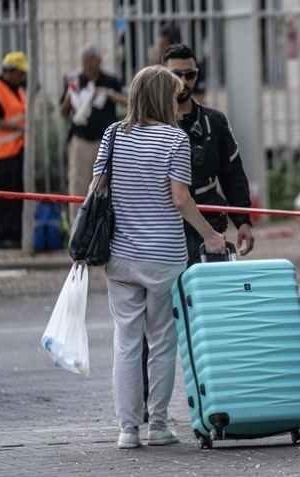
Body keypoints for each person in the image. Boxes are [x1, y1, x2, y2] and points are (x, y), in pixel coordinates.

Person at [95, 65, 225, 449]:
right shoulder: (174, 139)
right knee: (162, 341)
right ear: (159, 97)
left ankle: (127, 430)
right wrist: (211, 235)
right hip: (164, 256)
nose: (177, 98)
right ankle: (160, 425)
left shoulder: (113, 134)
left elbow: (96, 187)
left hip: (120, 255)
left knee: (126, 342)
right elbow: (181, 198)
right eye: (172, 93)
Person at [163, 43, 254, 264]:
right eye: (176, 75)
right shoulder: (149, 125)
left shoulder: (214, 122)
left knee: (209, 296)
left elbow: (233, 174)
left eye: (190, 74)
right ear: (163, 76)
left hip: (208, 227)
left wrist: (243, 221)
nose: (184, 82)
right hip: (163, 232)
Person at [60, 45, 126, 220]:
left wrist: (108, 93)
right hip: (81, 141)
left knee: (107, 185)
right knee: (78, 185)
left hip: (105, 142)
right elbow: (63, 112)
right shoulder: (75, 80)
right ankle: (77, 226)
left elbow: (127, 102)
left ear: (99, 61)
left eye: (92, 60)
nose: (89, 65)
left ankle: (105, 223)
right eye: (86, 61)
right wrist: (70, 95)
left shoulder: (110, 80)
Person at [0, 51, 28, 249]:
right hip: (1, 155)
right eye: (20, 73)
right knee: (5, 198)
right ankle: (4, 238)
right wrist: (19, 128)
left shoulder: (17, 89)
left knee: (16, 196)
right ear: (10, 72)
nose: (23, 77)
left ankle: (15, 236)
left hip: (16, 151)